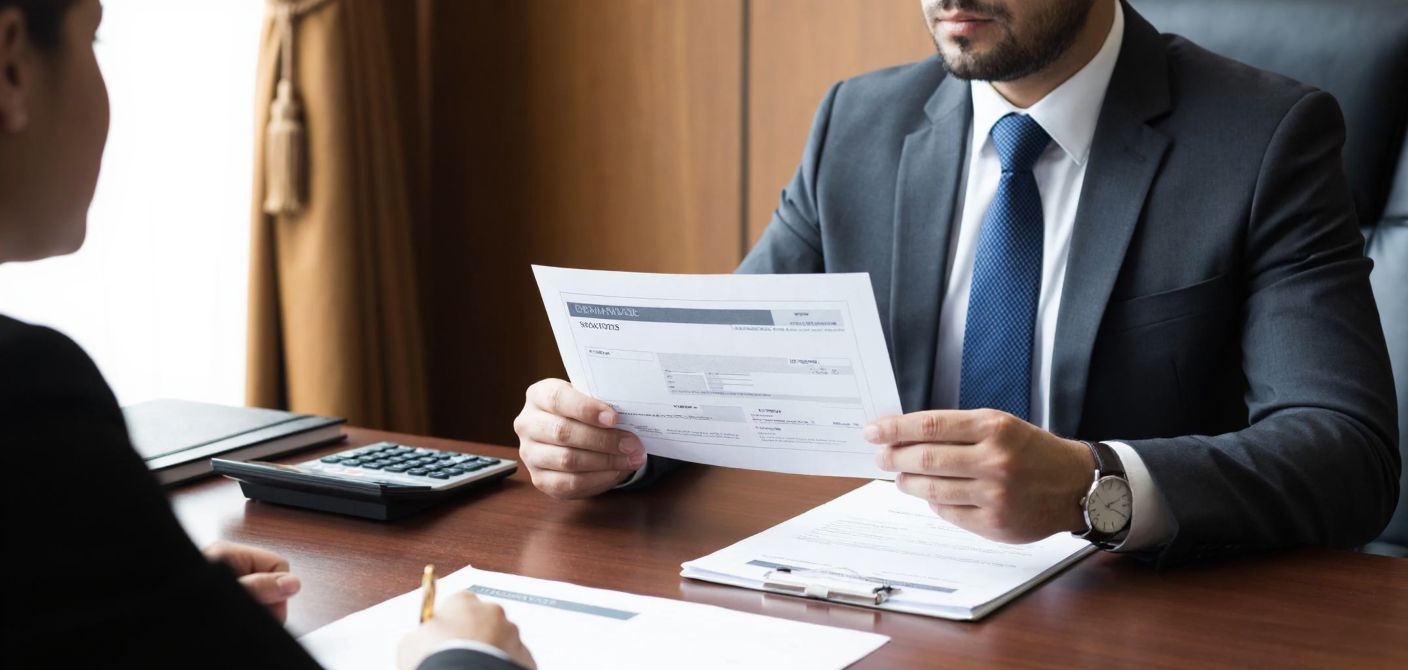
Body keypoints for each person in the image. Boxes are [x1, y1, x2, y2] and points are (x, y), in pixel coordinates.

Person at [514, 0, 1400, 566]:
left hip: (1141, 632)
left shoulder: (1264, 137)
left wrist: (1095, 486)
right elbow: (729, 372)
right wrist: (613, 436)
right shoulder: (857, 123)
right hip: (889, 608)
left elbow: (1346, 453)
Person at [0, 1, 566, 670]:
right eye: (91, 34)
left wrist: (140, 604)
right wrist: (475, 663)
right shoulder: (27, 397)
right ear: (10, 64)